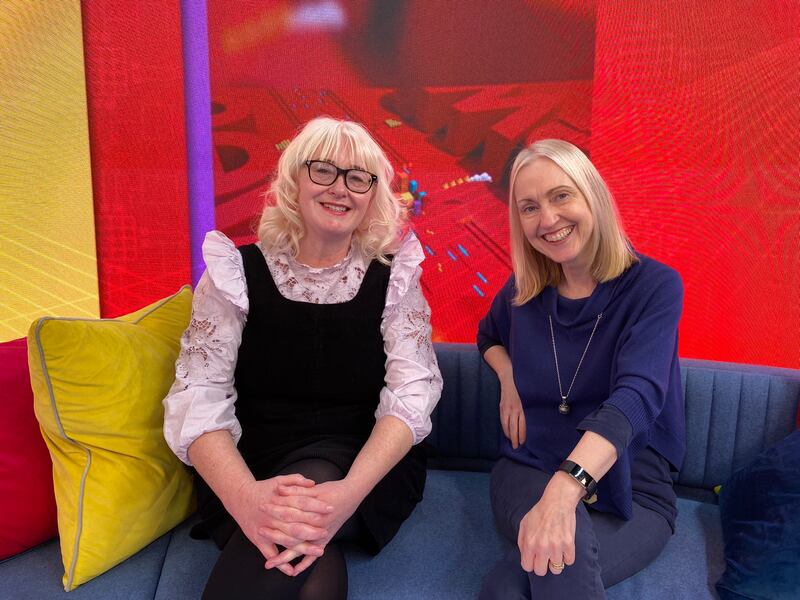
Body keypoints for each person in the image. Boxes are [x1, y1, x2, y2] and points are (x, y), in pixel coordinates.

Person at [163, 117, 442, 600]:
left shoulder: (395, 279)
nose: (341, 189)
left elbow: (411, 396)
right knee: (308, 561)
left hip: (361, 466)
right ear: (293, 181)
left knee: (306, 502)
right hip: (249, 464)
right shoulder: (236, 272)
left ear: (373, 195)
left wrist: (347, 497)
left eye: (358, 178)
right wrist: (247, 499)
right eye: (323, 171)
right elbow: (198, 394)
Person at [477, 139, 684, 599]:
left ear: (593, 195)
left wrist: (564, 491)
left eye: (561, 196)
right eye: (529, 207)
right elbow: (488, 337)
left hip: (632, 483)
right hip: (528, 464)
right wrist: (508, 376)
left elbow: (638, 394)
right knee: (548, 571)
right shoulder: (522, 290)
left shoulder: (655, 286)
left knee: (506, 590)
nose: (547, 220)